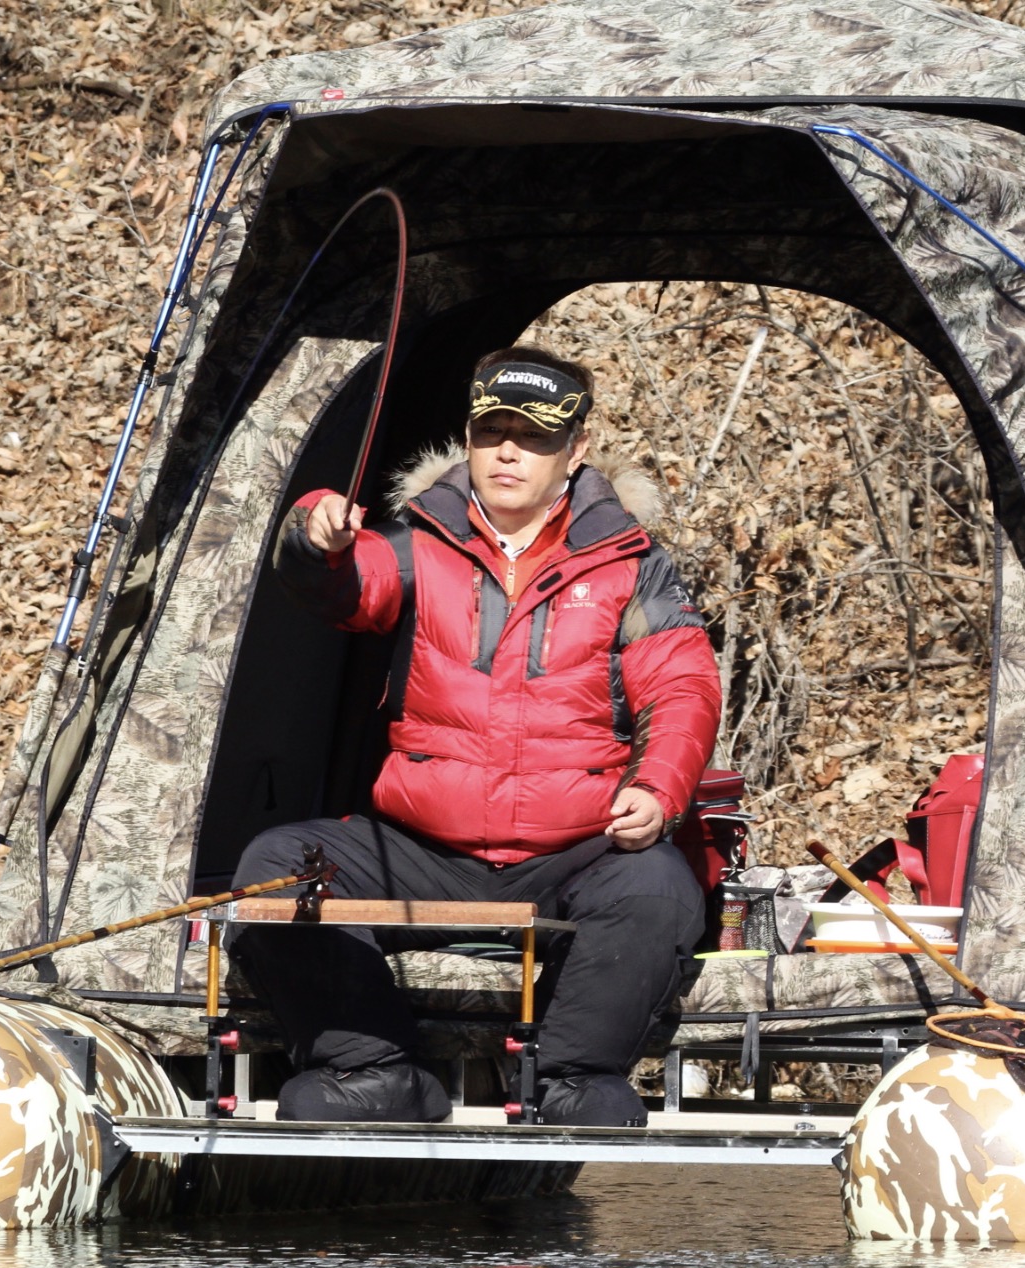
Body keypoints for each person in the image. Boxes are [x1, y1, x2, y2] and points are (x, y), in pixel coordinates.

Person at [233, 347, 721, 1127]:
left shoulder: (633, 564)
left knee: (659, 887)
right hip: (421, 849)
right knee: (272, 869)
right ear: (469, 437)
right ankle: (374, 1072)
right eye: (492, 431)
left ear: (577, 450)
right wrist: (311, 529)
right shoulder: (418, 541)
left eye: (532, 438)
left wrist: (657, 791)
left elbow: (685, 685)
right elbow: (340, 583)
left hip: (579, 849)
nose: (507, 452)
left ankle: (571, 1083)